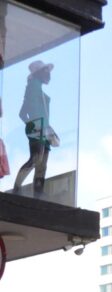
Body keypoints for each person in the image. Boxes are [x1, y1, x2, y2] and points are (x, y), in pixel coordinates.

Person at [14, 60, 55, 197]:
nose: (49, 74)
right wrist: (32, 125)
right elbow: (22, 113)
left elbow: (24, 113)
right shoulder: (32, 87)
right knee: (36, 159)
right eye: (46, 71)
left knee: (42, 163)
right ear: (39, 73)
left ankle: (37, 192)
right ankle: (17, 188)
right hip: (38, 127)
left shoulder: (37, 89)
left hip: (44, 128)